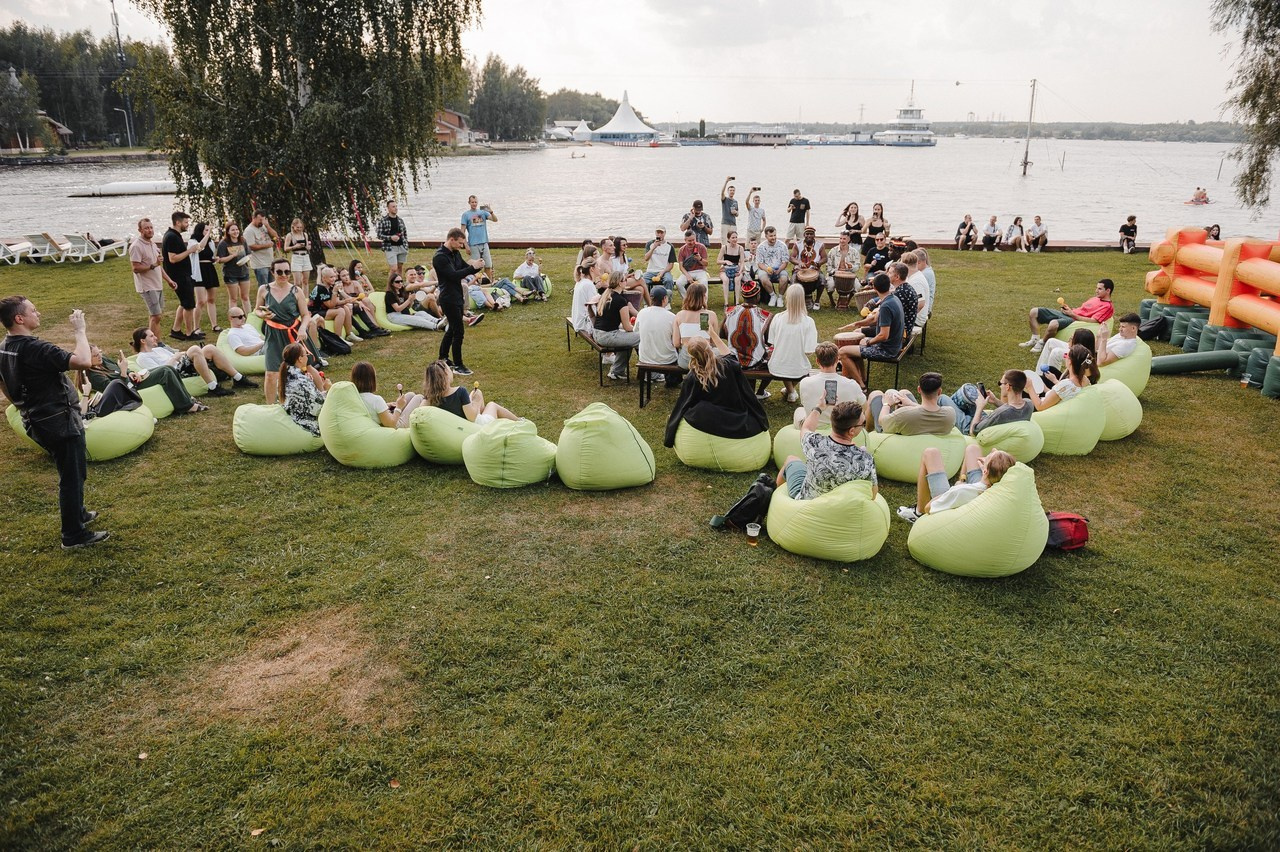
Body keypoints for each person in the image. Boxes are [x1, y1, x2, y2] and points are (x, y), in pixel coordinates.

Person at [0, 297, 107, 549]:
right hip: (58, 421)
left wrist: (19, 404)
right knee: (71, 477)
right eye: (33, 310)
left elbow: (3, 381)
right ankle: (73, 535)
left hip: (37, 420)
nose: (38, 313)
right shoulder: (36, 349)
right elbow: (83, 361)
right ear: (19, 319)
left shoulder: (4, 346)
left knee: (74, 471)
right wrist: (80, 331)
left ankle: (78, 513)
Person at [663, 334, 769, 448]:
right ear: (709, 348)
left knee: (696, 410)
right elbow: (728, 354)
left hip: (710, 419)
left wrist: (670, 435)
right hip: (737, 417)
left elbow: (682, 405)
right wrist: (713, 334)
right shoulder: (728, 365)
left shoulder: (693, 377)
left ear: (691, 355)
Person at [777, 400, 877, 501]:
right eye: (863, 423)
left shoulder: (814, 442)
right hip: (842, 508)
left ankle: (776, 498)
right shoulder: (866, 459)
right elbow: (873, 494)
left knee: (791, 459)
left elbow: (806, 427)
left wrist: (819, 407)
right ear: (851, 431)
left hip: (807, 502)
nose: (864, 425)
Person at [896, 445, 1016, 524]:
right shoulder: (1001, 487)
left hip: (956, 499)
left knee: (930, 453)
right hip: (979, 487)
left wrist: (957, 487)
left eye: (987, 458)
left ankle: (917, 512)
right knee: (972, 449)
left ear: (985, 471)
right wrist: (962, 480)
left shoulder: (960, 491)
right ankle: (963, 477)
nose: (984, 458)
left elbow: (930, 507)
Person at [256, 257, 319, 404]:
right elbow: (257, 310)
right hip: (273, 334)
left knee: (307, 366)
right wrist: (262, 315)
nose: (283, 274)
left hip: (294, 333)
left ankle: (322, 395)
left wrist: (303, 329)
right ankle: (271, 407)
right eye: (279, 271)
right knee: (271, 374)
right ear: (272, 272)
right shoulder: (264, 289)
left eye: (287, 271)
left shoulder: (296, 291)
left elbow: (305, 315)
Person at [87, 342, 207, 415]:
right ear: (87, 359)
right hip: (129, 390)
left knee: (168, 368)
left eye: (100, 352)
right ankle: (186, 406)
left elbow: (121, 369)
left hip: (133, 380)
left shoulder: (103, 361)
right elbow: (115, 391)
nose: (100, 356)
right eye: (95, 355)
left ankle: (188, 398)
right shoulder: (93, 376)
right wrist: (124, 372)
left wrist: (132, 372)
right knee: (165, 372)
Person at [131, 327, 253, 397]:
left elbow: (179, 355)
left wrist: (186, 354)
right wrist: (175, 358)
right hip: (175, 373)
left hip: (182, 365)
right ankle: (213, 387)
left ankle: (238, 378)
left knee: (209, 348)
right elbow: (160, 372)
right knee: (194, 349)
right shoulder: (142, 357)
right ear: (142, 341)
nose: (155, 337)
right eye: (151, 336)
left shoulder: (158, 349)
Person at [836, 272, 902, 389]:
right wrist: (857, 324)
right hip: (894, 345)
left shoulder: (886, 306)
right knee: (857, 342)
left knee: (842, 352)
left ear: (874, 288)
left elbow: (883, 336)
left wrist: (868, 343)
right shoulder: (892, 298)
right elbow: (874, 319)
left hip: (886, 350)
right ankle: (863, 379)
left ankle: (861, 386)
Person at [434, 227, 485, 376]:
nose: (462, 246)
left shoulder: (455, 253)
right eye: (460, 243)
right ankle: (458, 365)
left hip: (456, 296)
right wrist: (471, 268)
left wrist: (477, 266)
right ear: (451, 240)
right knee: (458, 331)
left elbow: (464, 268)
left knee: (452, 329)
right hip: (447, 298)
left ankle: (443, 357)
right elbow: (454, 275)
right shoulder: (440, 257)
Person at [1022, 278, 1116, 352]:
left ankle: (1042, 343)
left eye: (1099, 289)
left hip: (1076, 321)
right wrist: (1069, 310)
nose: (1096, 291)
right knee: (1034, 312)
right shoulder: (1095, 298)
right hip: (1071, 314)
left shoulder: (1107, 307)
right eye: (1096, 288)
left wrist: (1073, 315)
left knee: (1053, 324)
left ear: (1108, 291)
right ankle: (1034, 338)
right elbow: (1082, 310)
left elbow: (1093, 321)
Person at [422, 359, 519, 425]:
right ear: (446, 374)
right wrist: (476, 401)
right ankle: (520, 422)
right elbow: (472, 417)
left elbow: (419, 411)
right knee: (492, 405)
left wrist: (470, 398)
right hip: (474, 427)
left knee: (476, 397)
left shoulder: (430, 398)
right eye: (449, 369)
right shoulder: (460, 392)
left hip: (455, 425)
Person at [793, 341, 865, 428]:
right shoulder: (852, 385)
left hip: (813, 427)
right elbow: (864, 407)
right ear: (837, 360)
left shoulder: (805, 382)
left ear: (817, 361)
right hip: (842, 429)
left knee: (799, 411)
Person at [767, 284, 818, 403]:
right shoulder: (808, 322)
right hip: (798, 368)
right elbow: (809, 351)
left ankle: (790, 391)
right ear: (802, 300)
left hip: (776, 365)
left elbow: (772, 343)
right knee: (799, 367)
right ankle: (791, 391)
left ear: (787, 298)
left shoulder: (777, 318)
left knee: (786, 364)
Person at [722, 279, 772, 398]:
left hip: (733, 360)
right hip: (756, 363)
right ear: (758, 296)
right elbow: (769, 341)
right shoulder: (765, 316)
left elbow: (721, 334)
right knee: (775, 356)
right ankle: (760, 392)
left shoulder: (730, 311)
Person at [866, 372, 956, 435]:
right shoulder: (950, 413)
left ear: (919, 390)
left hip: (891, 435)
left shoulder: (904, 414)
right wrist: (911, 403)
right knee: (904, 392)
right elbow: (929, 412)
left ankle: (869, 433)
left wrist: (887, 404)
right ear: (939, 392)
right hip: (919, 429)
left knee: (875, 394)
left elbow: (882, 421)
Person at [951, 369, 1034, 436]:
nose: (1000, 386)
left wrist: (980, 407)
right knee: (968, 400)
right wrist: (995, 401)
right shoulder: (1029, 404)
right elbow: (1013, 410)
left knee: (943, 399)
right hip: (985, 422)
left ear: (1008, 386)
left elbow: (973, 431)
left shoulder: (1001, 413)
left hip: (970, 428)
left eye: (1000, 383)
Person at [163, 211, 205, 341]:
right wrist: (190, 250)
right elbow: (173, 258)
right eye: (186, 222)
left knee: (184, 302)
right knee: (189, 305)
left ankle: (176, 330)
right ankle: (189, 333)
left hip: (183, 274)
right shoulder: (171, 237)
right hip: (179, 275)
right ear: (178, 222)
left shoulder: (175, 235)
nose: (187, 225)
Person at [594, 273, 640, 381]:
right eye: (625, 280)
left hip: (598, 333)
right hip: (608, 335)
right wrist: (637, 327)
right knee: (641, 337)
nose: (626, 281)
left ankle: (616, 371)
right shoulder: (620, 301)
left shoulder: (606, 294)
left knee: (629, 339)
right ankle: (649, 372)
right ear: (620, 283)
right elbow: (627, 327)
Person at [351, 360, 422, 428]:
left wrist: (386, 405)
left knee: (411, 395)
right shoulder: (376, 400)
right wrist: (399, 407)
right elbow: (391, 424)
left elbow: (371, 409)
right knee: (419, 397)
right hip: (395, 426)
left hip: (381, 419)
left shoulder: (353, 398)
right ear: (372, 380)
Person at [129, 218, 168, 340]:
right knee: (156, 315)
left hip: (157, 284)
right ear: (140, 230)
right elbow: (135, 268)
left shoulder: (153, 244)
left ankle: (155, 342)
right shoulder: (136, 246)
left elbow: (158, 266)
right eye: (146, 228)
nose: (150, 230)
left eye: (151, 227)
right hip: (147, 286)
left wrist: (169, 280)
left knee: (156, 316)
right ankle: (154, 343)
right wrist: (153, 265)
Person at [279, 342, 327, 435]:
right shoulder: (301, 380)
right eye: (306, 354)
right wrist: (328, 390)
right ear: (300, 359)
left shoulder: (287, 374)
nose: (307, 357)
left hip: (293, 413)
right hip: (305, 424)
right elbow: (317, 407)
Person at [635, 285, 680, 386]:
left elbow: (636, 330)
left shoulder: (642, 312)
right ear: (664, 299)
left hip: (645, 357)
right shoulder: (671, 317)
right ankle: (672, 380)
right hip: (667, 359)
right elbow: (676, 341)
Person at [1032, 344, 1099, 411]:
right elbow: (1059, 395)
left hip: (1048, 412)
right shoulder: (1085, 381)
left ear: (1070, 361)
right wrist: (1044, 387)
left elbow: (1040, 406)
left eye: (1066, 355)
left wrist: (1030, 387)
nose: (1065, 357)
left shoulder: (1065, 384)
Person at [672, 281, 718, 370]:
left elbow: (676, 343)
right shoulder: (710, 315)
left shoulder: (680, 315)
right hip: (706, 361)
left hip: (686, 361)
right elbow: (714, 342)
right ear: (704, 297)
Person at [309, 264, 360, 343]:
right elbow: (331, 305)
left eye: (334, 276)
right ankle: (338, 337)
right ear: (324, 278)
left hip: (325, 309)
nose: (334, 279)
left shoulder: (331, 285)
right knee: (340, 311)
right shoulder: (321, 288)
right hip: (315, 312)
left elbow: (336, 302)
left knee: (345, 308)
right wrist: (335, 292)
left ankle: (349, 334)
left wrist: (345, 301)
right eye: (331, 277)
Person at [214, 220, 252, 318]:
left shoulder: (243, 241)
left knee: (245, 297)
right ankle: (234, 318)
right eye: (233, 230)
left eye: (237, 229)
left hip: (244, 272)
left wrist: (248, 258)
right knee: (234, 299)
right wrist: (232, 256)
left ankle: (250, 318)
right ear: (228, 232)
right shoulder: (224, 243)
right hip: (230, 274)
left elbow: (249, 253)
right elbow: (220, 260)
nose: (235, 232)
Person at [191, 221, 221, 334]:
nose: (208, 232)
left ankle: (214, 325)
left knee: (211, 299)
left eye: (209, 230)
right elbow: (199, 248)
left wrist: (215, 259)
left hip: (209, 270)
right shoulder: (193, 241)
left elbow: (211, 255)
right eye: (206, 230)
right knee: (200, 301)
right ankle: (196, 327)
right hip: (199, 271)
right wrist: (207, 235)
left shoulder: (211, 242)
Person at [791, 226, 826, 311]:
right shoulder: (798, 244)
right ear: (804, 234)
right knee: (793, 281)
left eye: (811, 234)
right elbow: (792, 257)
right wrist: (799, 263)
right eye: (807, 234)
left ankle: (817, 301)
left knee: (822, 280)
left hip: (815, 270)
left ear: (814, 235)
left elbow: (824, 258)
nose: (809, 236)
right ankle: (795, 302)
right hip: (800, 270)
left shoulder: (820, 245)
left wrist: (818, 263)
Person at [460, 195, 497, 276]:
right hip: (473, 244)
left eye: (475, 202)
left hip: (484, 242)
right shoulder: (465, 215)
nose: (474, 204)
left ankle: (488, 282)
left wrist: (491, 212)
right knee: (475, 266)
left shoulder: (483, 211)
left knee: (488, 265)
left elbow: (495, 220)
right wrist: (466, 245)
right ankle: (475, 283)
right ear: (469, 203)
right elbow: (462, 231)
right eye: (472, 202)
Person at [754, 226, 791, 307]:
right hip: (766, 269)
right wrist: (767, 269)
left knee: (784, 279)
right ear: (766, 236)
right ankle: (773, 296)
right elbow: (760, 263)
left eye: (774, 235)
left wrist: (778, 270)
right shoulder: (761, 247)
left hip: (779, 268)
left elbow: (785, 262)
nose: (773, 237)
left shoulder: (783, 246)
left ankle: (780, 298)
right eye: (771, 236)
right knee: (763, 278)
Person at [242, 210, 279, 286]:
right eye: (260, 220)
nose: (261, 222)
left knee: (273, 286)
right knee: (264, 287)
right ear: (253, 218)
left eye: (263, 219)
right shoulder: (249, 230)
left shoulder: (263, 226)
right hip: (260, 265)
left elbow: (276, 236)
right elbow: (250, 246)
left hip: (270, 262)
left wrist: (268, 226)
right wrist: (267, 245)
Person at [377, 200, 409, 276]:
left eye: (396, 206)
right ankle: (389, 286)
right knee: (394, 268)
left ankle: (399, 284)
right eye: (393, 207)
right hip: (390, 247)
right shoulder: (383, 220)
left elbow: (404, 233)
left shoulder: (400, 220)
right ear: (388, 208)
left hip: (401, 246)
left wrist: (406, 244)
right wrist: (390, 238)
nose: (395, 208)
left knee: (400, 267)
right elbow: (379, 235)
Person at [675, 229, 710, 296]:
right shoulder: (682, 250)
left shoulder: (701, 247)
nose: (692, 242)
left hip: (700, 270)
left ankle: (703, 304)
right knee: (679, 283)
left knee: (704, 282)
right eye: (689, 241)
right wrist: (688, 276)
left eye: (693, 240)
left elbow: (706, 264)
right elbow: (681, 267)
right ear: (685, 240)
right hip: (687, 271)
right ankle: (687, 301)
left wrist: (700, 258)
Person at [570, 263, 600, 338]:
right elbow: (594, 307)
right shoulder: (588, 285)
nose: (599, 268)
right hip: (584, 324)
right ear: (592, 269)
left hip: (578, 320)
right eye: (597, 266)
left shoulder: (581, 282)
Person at [718, 230, 744, 307]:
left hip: (736, 269)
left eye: (736, 237)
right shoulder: (724, 248)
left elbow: (742, 262)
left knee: (737, 280)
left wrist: (740, 270)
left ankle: (737, 303)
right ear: (728, 239)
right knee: (725, 280)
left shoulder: (740, 248)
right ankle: (726, 303)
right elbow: (718, 261)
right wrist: (725, 261)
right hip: (725, 269)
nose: (735, 239)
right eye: (733, 238)